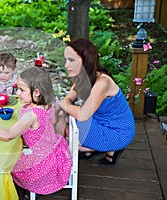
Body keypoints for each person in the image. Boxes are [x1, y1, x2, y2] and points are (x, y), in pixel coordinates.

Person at [0, 67, 72, 197]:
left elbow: (8, 135)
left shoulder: (31, 115)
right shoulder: (48, 103)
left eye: (22, 90)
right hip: (54, 152)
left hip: (42, 164)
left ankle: (14, 193)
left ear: (36, 92)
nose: (18, 93)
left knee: (3, 163)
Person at [54, 38, 135, 166]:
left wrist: (62, 106)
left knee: (68, 139)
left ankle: (100, 148)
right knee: (63, 123)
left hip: (118, 132)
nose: (66, 65)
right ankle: (94, 147)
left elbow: (82, 115)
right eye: (66, 59)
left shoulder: (103, 82)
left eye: (71, 60)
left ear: (85, 61)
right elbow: (69, 99)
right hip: (99, 121)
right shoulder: (82, 77)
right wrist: (63, 107)